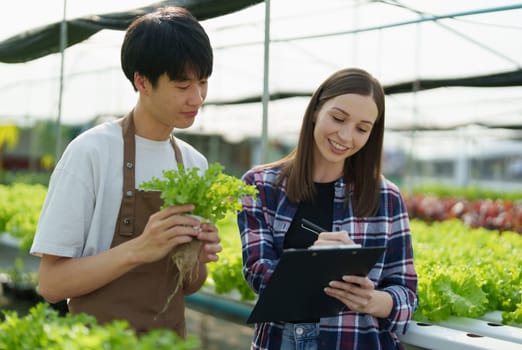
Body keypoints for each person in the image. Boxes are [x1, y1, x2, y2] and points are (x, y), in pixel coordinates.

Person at [30, 6, 222, 337]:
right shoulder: (91, 153)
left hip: (168, 341)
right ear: (142, 82)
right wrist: (139, 249)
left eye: (203, 82)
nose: (197, 97)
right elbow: (51, 284)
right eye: (182, 85)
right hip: (98, 341)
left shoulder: (194, 164)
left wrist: (198, 257)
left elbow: (189, 285)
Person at [237, 68, 418, 349]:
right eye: (338, 118)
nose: (346, 136)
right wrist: (312, 263)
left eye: (362, 128)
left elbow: (406, 292)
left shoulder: (387, 197)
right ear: (315, 111)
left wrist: (373, 300)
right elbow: (257, 272)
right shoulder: (260, 185)